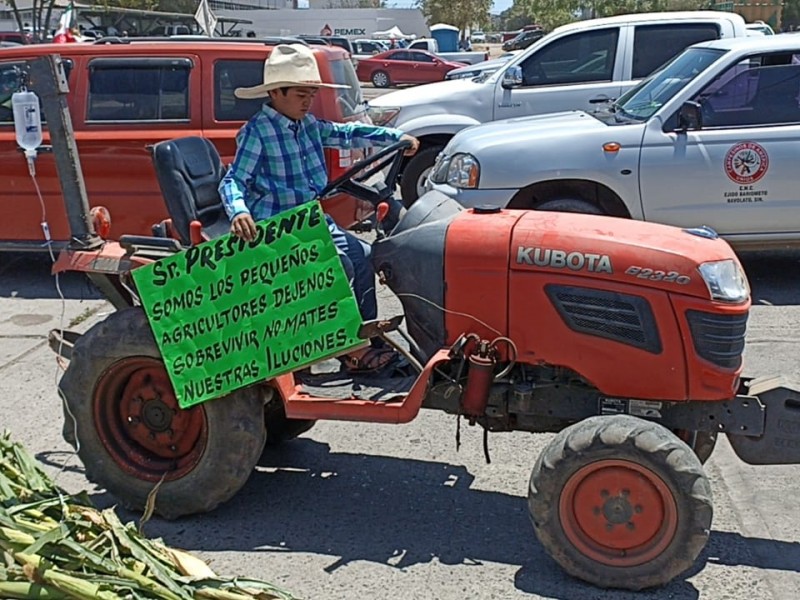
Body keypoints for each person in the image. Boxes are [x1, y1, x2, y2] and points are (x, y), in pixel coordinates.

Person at [219, 44, 420, 374]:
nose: (307, 101)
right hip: (276, 227)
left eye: (311, 94)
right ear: (277, 92)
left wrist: (394, 137)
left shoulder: (307, 125)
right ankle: (350, 350)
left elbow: (346, 133)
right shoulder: (257, 132)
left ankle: (365, 332)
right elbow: (233, 181)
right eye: (301, 94)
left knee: (363, 255)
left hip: (309, 220)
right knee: (337, 264)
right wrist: (239, 211)